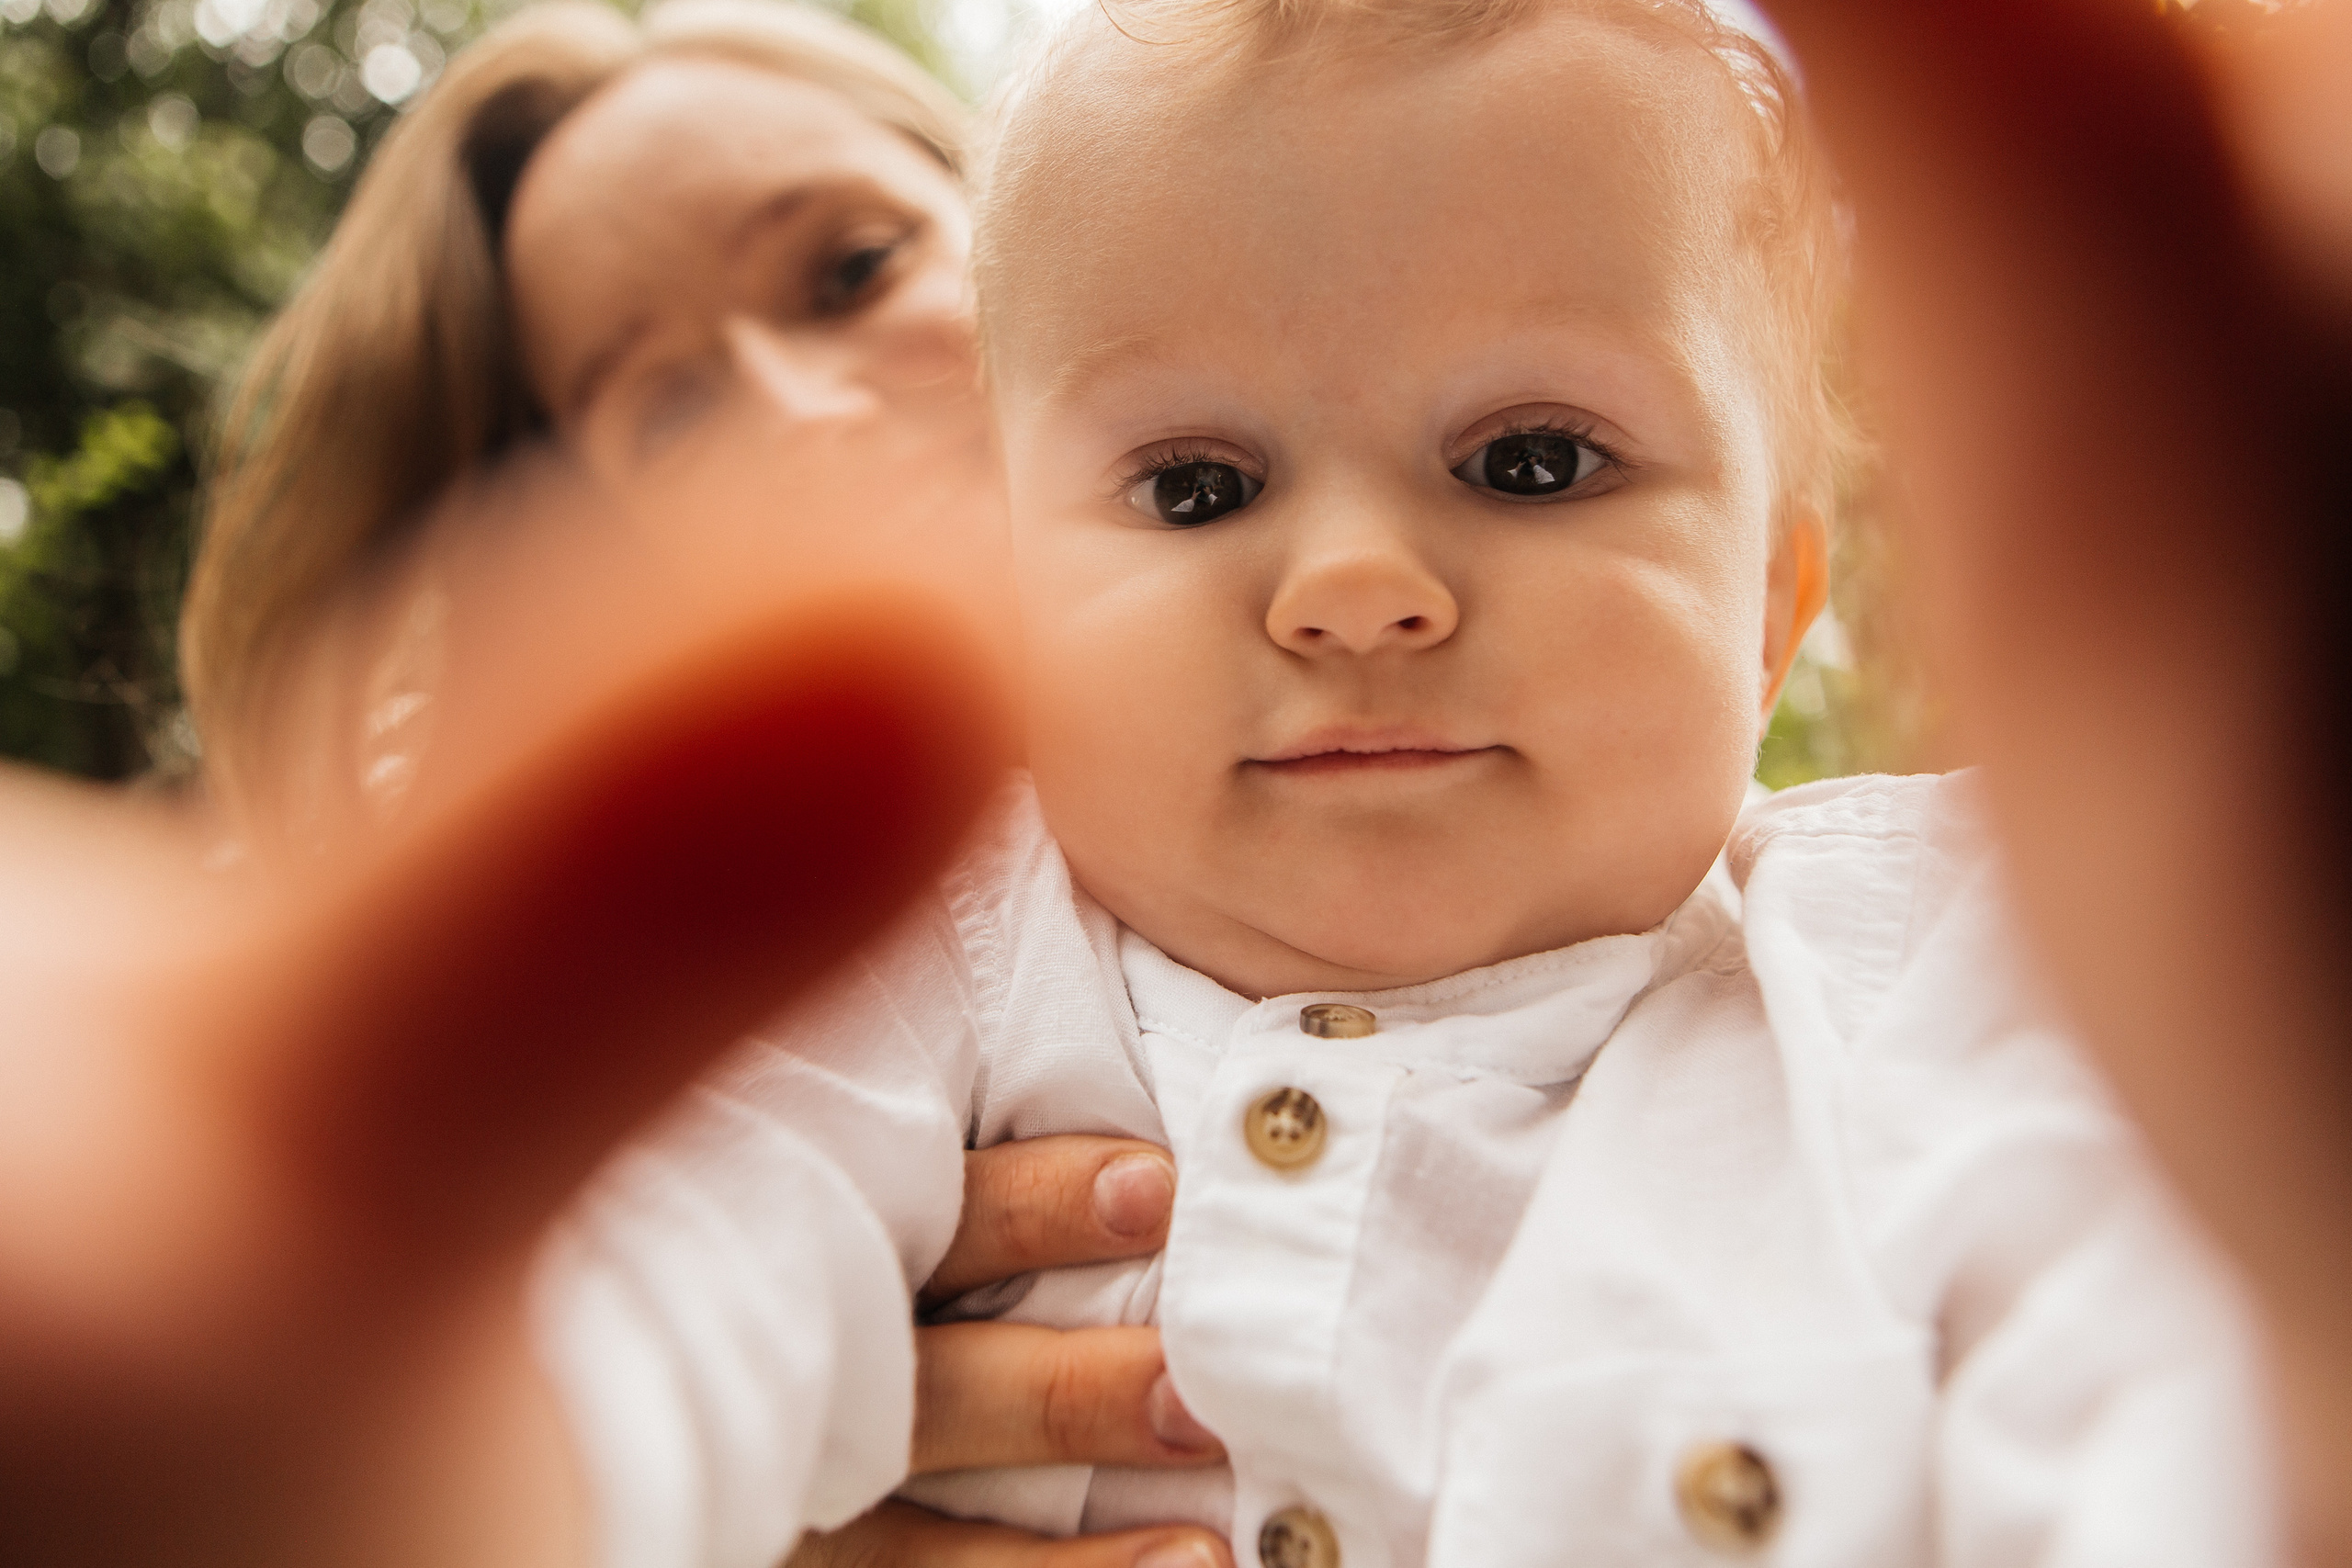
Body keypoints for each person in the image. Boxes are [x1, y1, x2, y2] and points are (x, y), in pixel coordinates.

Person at [4, 1, 2348, 1566]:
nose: (1349, 583)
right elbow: (676, 1257)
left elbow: (2164, 1382)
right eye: (1202, 484)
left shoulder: (1948, 948)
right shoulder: (921, 957)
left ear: (1770, 592)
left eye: (1533, 455)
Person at [167, 4, 1235, 1567]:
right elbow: (647, 1320)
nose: (800, 418)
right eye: (664, 405)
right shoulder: (691, 1009)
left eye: (851, 270)